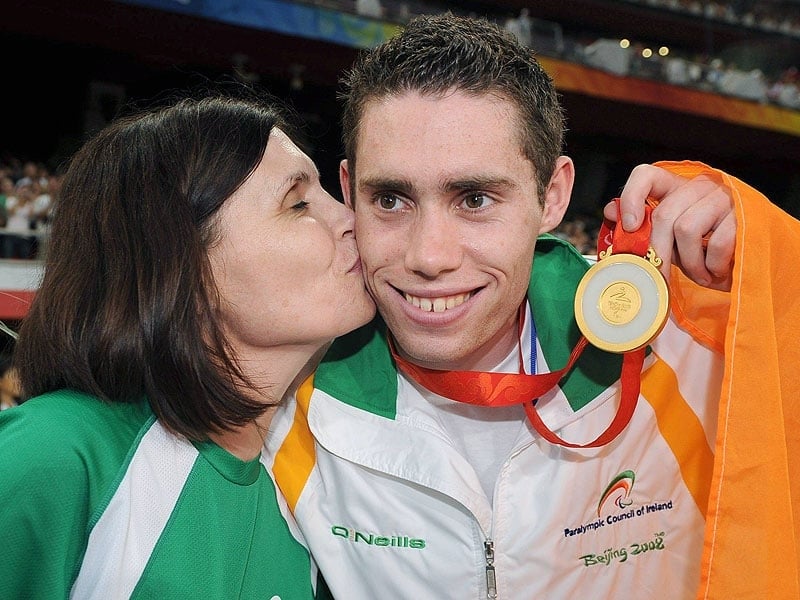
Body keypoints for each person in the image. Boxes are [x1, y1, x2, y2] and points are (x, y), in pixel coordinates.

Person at [266, 14, 800, 599]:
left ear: (552, 196)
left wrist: (771, 261)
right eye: (391, 199)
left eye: (474, 198)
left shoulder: (683, 352)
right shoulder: (284, 395)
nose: (429, 256)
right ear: (348, 193)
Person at [0, 90, 375, 598]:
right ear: (184, 268)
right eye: (299, 202)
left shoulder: (311, 493)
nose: (353, 219)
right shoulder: (56, 455)